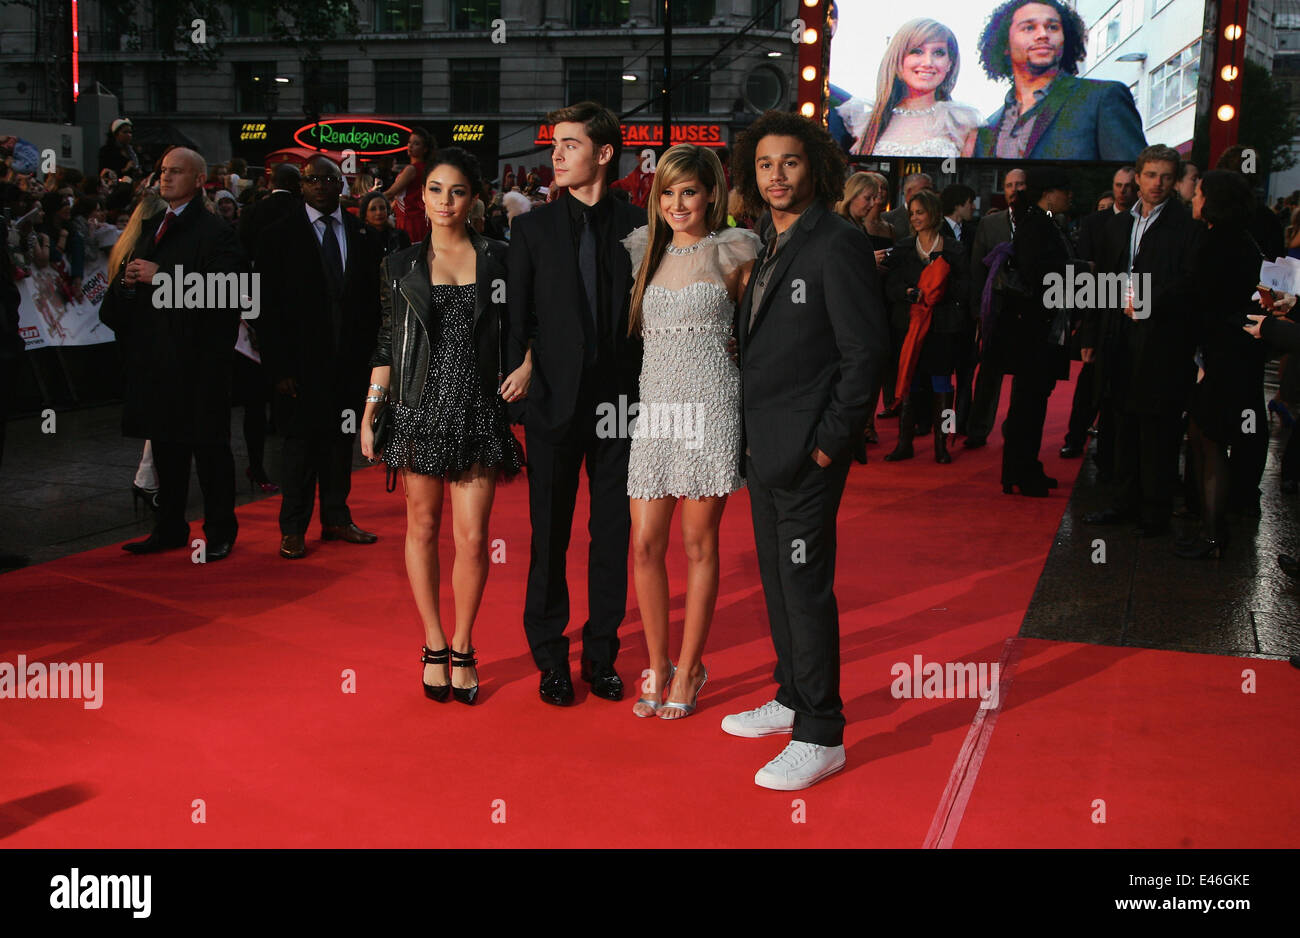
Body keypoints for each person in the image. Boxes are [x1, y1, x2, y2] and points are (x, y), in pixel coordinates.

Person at [722, 110, 887, 790]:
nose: (776, 175)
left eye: (789, 162)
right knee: (778, 581)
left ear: (813, 166)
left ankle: (821, 732)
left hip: (807, 453)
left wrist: (827, 447)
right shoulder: (770, 238)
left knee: (805, 587)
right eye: (764, 164)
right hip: (764, 447)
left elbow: (865, 353)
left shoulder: (836, 241)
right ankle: (791, 696)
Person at [362, 148, 527, 706]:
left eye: (456, 191)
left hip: (478, 409)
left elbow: (527, 326)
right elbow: (388, 340)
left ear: (474, 197)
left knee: (474, 537)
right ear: (422, 196)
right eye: (434, 190)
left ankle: (464, 643)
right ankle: (433, 641)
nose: (444, 202)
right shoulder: (398, 263)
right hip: (417, 408)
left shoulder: (500, 258)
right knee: (422, 528)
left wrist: (526, 364)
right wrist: (372, 404)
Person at [506, 102, 647, 707]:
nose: (556, 155)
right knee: (550, 534)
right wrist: (522, 385)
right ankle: (549, 658)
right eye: (554, 144)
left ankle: (601, 654)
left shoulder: (643, 226)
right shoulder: (532, 229)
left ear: (605, 153)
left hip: (622, 405)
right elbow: (519, 318)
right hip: (554, 405)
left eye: (569, 144)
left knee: (612, 533)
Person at [619, 144, 759, 720]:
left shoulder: (735, 250)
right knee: (646, 544)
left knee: (699, 544)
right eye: (668, 192)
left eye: (690, 191)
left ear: (710, 194)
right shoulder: (643, 252)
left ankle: (693, 665)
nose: (679, 202)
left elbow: (757, 334)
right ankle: (659, 662)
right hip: (656, 412)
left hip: (710, 408)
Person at [97, 147, 245, 561]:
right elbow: (119, 305)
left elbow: (230, 292)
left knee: (210, 450)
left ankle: (219, 530)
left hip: (200, 365)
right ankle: (169, 526)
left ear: (199, 180)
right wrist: (127, 285)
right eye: (162, 170)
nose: (166, 177)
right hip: (155, 361)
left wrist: (162, 277)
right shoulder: (151, 227)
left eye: (176, 171)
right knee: (165, 448)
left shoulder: (217, 232)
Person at [254, 155, 382, 560]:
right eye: (313, 180)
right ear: (301, 186)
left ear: (341, 184)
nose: (323, 186)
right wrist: (278, 368)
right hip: (299, 366)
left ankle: (336, 518)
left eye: (330, 178)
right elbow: (267, 310)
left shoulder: (362, 233)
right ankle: (292, 528)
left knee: (339, 445)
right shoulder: (278, 235)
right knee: (298, 450)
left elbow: (371, 306)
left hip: (348, 362)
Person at [1082, 144, 1201, 537]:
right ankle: (1123, 502)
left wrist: (1150, 302)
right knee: (1121, 423)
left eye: (1167, 177)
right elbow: (1102, 282)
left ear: (1175, 180)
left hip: (1163, 340)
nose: (1158, 184)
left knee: (1158, 428)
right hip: (1119, 335)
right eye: (1151, 175)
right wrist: (1092, 336)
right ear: (1138, 176)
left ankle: (1154, 512)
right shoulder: (1118, 224)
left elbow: (1189, 284)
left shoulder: (1185, 227)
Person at [1177, 170, 1262, 557]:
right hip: (1226, 353)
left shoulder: (1218, 242)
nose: (1193, 199)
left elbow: (1199, 299)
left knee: (1209, 442)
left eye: (1198, 194)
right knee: (1202, 437)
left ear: (1212, 200)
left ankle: (1213, 534)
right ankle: (1210, 528)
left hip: (1221, 355)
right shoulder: (1236, 238)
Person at [973, 0, 1146, 161]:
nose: (1043, 35)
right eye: (1029, 28)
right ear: (1005, 44)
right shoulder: (987, 127)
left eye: (1053, 27)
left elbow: (1135, 178)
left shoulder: (1102, 98)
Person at [993, 166, 1074, 496]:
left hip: (1036, 329)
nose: (1070, 196)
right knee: (1029, 403)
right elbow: (1038, 274)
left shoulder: (1039, 222)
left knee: (1030, 402)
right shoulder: (1038, 225)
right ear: (1049, 193)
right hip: (1035, 331)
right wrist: (1082, 270)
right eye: (1065, 190)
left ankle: (1022, 468)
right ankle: (1021, 470)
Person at [883, 188, 969, 464]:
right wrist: (907, 292)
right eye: (912, 213)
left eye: (920, 212)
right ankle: (904, 443)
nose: (915, 218)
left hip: (943, 328)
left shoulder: (953, 248)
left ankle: (942, 445)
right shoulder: (904, 247)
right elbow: (891, 285)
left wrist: (943, 288)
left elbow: (966, 289)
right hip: (908, 326)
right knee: (909, 382)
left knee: (943, 384)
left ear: (933, 213)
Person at [1061, 166, 1135, 466]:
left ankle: (1109, 452)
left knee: (1120, 388)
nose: (1123, 191)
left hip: (1131, 310)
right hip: (1102, 308)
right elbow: (1089, 272)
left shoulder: (1141, 222)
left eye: (1129, 186)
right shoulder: (1096, 223)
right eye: (1118, 185)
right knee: (1089, 384)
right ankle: (1074, 439)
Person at [844, 18, 980, 158]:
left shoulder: (962, 123)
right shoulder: (864, 120)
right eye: (917, 51)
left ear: (949, 63)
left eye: (938, 53)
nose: (928, 62)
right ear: (898, 58)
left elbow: (956, 174)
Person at [964, 166, 1025, 449]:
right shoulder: (990, 224)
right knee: (989, 373)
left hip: (1028, 309)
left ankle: (1016, 431)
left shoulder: (1045, 219)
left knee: (1024, 378)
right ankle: (978, 430)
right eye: (1010, 185)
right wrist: (977, 308)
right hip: (995, 308)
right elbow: (977, 266)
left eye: (1020, 184)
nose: (1015, 189)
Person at [837, 171, 895, 442]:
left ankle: (860, 427)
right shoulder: (838, 226)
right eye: (868, 197)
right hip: (844, 316)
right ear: (852, 194)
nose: (873, 203)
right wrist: (866, 261)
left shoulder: (855, 225)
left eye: (876, 198)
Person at [383, 128, 435, 245]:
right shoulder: (426, 168)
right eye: (409, 142)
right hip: (418, 219)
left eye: (416, 143)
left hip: (410, 221)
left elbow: (391, 193)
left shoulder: (412, 169)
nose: (410, 146)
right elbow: (399, 198)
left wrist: (370, 199)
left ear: (425, 149)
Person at [239, 162, 301, 257]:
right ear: (290, 183)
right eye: (298, 181)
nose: (301, 185)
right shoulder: (302, 209)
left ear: (272, 182)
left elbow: (243, 243)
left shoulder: (250, 211)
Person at [883, 173, 933, 243]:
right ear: (909, 191)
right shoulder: (887, 219)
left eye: (931, 190)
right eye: (925, 189)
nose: (929, 193)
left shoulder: (935, 218)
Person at [359, 191, 411, 257]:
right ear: (365, 214)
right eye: (373, 209)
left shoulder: (400, 236)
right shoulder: (360, 240)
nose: (379, 213)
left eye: (382, 208)